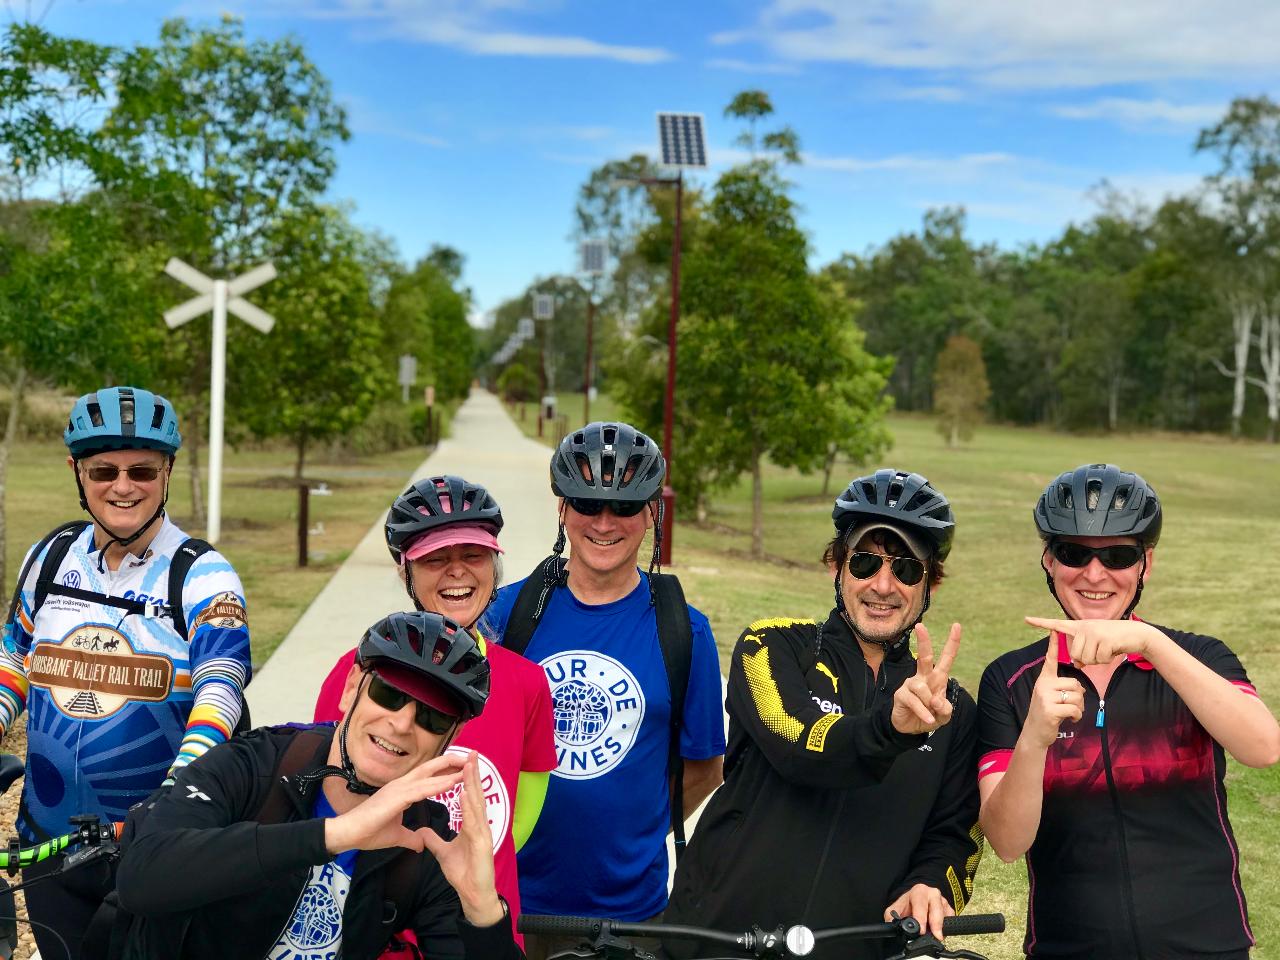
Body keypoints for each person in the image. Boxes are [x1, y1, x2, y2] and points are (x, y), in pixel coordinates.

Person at [664, 469, 983, 960]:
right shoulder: (771, 646)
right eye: (864, 563)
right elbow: (800, 747)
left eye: (906, 570)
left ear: (930, 585)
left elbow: (955, 834)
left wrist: (931, 885)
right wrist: (891, 729)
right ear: (836, 566)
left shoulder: (952, 711)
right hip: (719, 939)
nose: (883, 585)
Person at [977, 463, 1280, 959]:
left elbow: (1264, 748)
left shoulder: (1198, 657)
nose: (1094, 575)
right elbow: (1008, 843)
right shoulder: (1010, 681)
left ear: (1146, 564)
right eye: (1073, 553)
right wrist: (1033, 738)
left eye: (1117, 555)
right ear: (1049, 561)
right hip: (1070, 949)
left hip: (1207, 946)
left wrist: (1149, 643)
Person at [0, 386, 251, 960]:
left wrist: (175, 792)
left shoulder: (202, 575)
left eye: (142, 470)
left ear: (166, 473)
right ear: (76, 472)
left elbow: (222, 689)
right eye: (103, 470)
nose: (122, 486)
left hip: (155, 850)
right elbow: (15, 657)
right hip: (49, 842)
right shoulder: (50, 556)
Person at [114, 610, 523, 960]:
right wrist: (338, 834)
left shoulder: (423, 842)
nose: (401, 724)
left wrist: (482, 911)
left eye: (432, 718)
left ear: (448, 739)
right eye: (389, 694)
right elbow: (142, 876)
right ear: (350, 689)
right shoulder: (254, 766)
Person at [485, 421, 726, 959]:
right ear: (563, 510)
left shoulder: (685, 631)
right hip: (512, 900)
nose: (604, 522)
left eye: (624, 506)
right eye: (587, 503)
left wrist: (632, 835)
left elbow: (706, 767)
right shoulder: (508, 614)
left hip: (632, 914)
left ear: (650, 515)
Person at [313, 475, 556, 949]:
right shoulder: (360, 671)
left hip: (481, 923)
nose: (457, 572)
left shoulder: (527, 681)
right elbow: (328, 796)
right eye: (435, 559)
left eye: (473, 555)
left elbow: (519, 818)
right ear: (405, 571)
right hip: (379, 928)